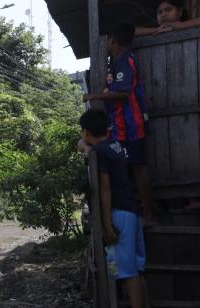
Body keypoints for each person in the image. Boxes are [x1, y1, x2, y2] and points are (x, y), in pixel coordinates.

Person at [82, 23, 156, 226]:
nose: (105, 43)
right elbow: (111, 87)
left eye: (107, 39)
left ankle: (149, 214)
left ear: (113, 41)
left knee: (139, 168)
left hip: (133, 125)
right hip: (118, 126)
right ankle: (133, 211)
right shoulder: (114, 64)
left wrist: (93, 95)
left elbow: (123, 93)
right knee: (124, 169)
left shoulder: (126, 61)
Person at [79, 109, 148, 308]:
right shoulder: (116, 145)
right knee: (136, 268)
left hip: (118, 214)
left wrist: (107, 224)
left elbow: (105, 188)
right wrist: (85, 146)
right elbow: (82, 145)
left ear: (85, 131)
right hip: (133, 211)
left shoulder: (99, 152)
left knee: (127, 272)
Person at [136, 0, 200, 36]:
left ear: (180, 11)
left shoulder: (192, 27)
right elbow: (132, 30)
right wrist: (157, 30)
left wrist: (176, 26)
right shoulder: (156, 33)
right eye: (160, 12)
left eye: (168, 10)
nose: (163, 15)